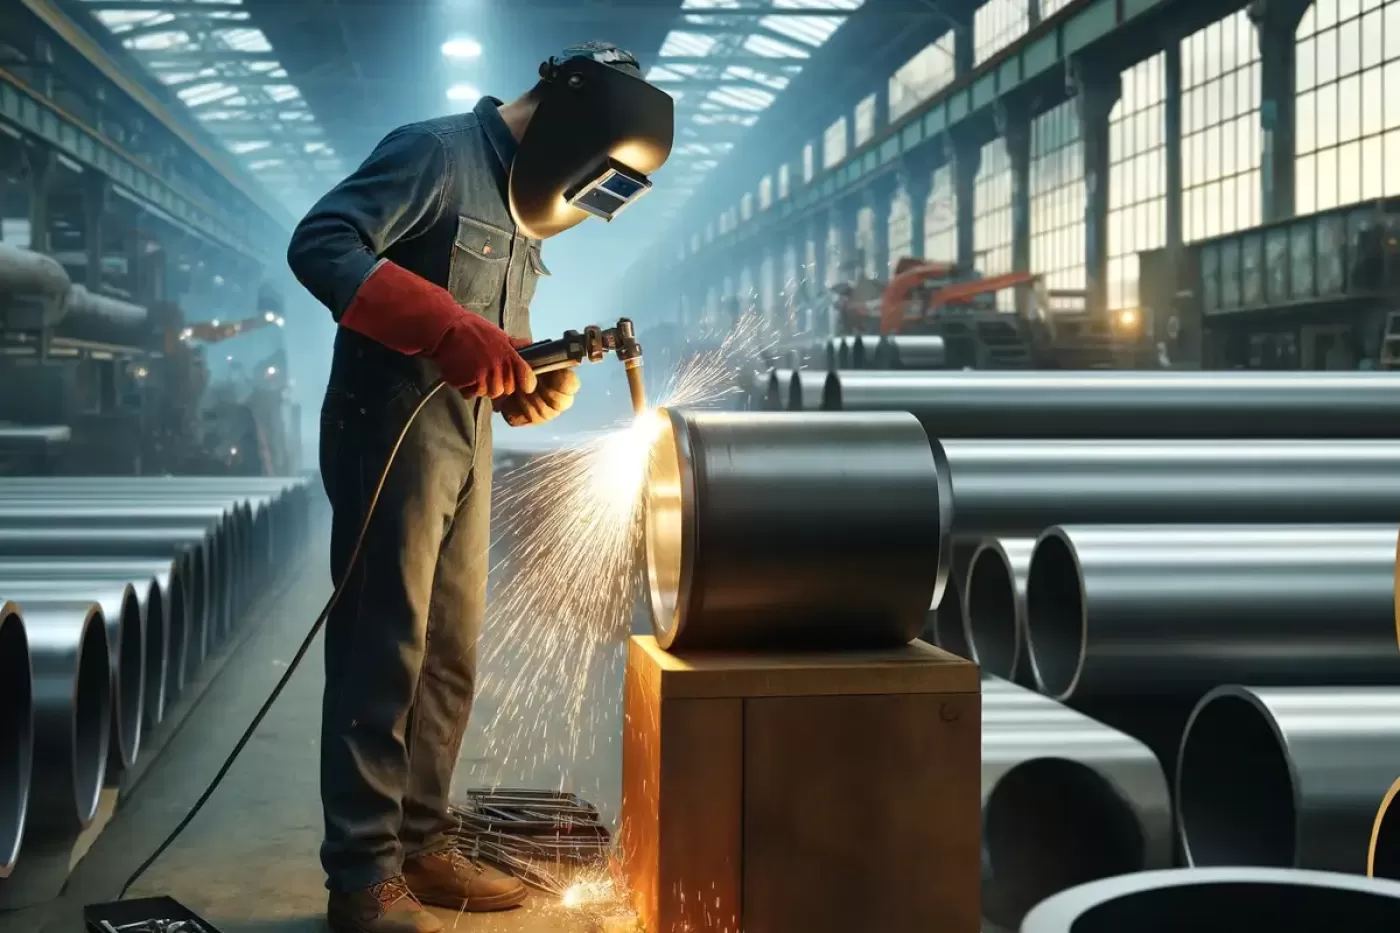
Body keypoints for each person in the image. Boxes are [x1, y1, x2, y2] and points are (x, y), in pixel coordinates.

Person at [287, 42, 673, 933]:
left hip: (461, 439)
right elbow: (322, 242)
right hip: (388, 432)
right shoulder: (433, 154)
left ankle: (421, 840)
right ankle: (363, 877)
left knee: (449, 646)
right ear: (568, 111)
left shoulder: (524, 205)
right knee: (384, 645)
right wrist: (444, 323)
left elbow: (495, 340)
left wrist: (530, 378)